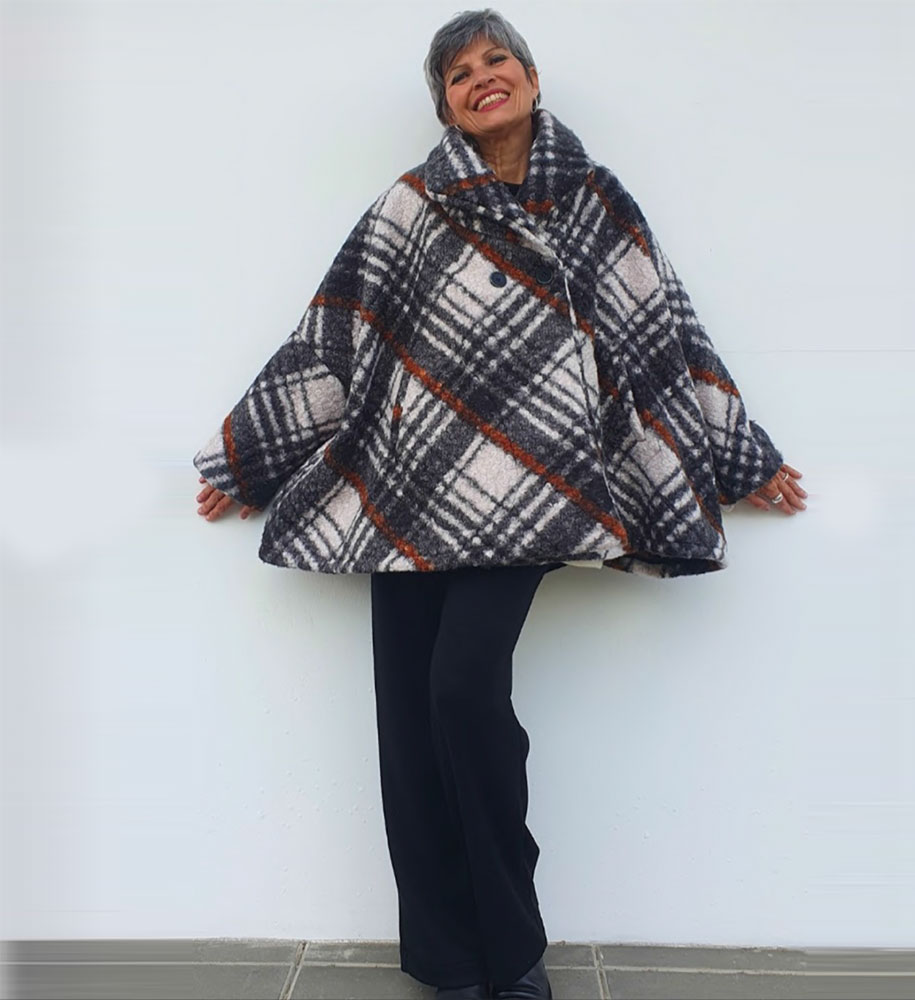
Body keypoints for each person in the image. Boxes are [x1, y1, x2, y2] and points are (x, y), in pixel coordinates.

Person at [193, 9, 807, 998]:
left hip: (534, 487)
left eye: (497, 59)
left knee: (461, 692)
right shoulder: (408, 206)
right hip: (407, 490)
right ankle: (447, 960)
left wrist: (741, 456)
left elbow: (662, 334)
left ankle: (513, 953)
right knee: (409, 726)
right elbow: (332, 337)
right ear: (444, 103)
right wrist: (245, 458)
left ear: (530, 75)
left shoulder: (594, 200)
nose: (482, 77)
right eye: (459, 72)